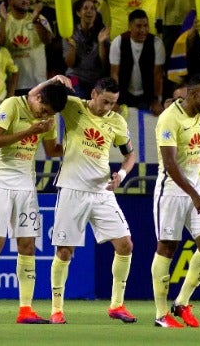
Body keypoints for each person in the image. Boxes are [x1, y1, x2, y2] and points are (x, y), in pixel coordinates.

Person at [0, 76, 70, 324]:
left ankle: (25, 310)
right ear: (38, 98)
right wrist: (29, 131)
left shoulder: (48, 117)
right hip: (1, 181)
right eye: (43, 110)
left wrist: (79, 146)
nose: (44, 115)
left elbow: (51, 151)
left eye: (49, 113)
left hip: (26, 184)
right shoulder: (11, 105)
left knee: (28, 246)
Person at [49, 77, 138, 325]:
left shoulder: (117, 122)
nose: (108, 107)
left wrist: (121, 174)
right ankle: (57, 310)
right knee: (65, 251)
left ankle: (117, 305)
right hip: (71, 188)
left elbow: (130, 155)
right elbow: (42, 96)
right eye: (105, 101)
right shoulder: (73, 106)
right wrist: (56, 78)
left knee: (125, 245)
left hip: (102, 191)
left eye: (113, 103)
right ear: (93, 94)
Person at [151, 74, 200, 328]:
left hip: (195, 189)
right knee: (167, 248)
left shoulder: (199, 117)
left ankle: (181, 303)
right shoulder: (169, 118)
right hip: (171, 191)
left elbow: (196, 153)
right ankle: (161, 315)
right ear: (192, 94)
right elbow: (170, 164)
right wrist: (193, 194)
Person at [0, 0, 53, 95]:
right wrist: (3, 21)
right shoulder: (1, 21)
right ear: (10, 1)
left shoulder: (39, 18)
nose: (25, 1)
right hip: (11, 84)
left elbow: (48, 40)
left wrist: (36, 21)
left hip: (37, 83)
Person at [109, 9, 165, 114]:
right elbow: (114, 74)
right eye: (139, 26)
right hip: (124, 94)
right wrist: (114, 100)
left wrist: (157, 100)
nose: (143, 30)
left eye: (146, 26)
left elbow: (158, 75)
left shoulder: (157, 44)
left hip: (147, 95)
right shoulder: (118, 42)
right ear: (130, 27)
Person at [64, 0, 110, 99]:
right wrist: (72, 48)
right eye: (85, 8)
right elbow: (69, 64)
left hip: (95, 80)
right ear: (78, 13)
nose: (89, 11)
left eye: (93, 9)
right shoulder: (70, 33)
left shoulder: (102, 32)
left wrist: (101, 43)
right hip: (75, 77)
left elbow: (104, 63)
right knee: (75, 94)